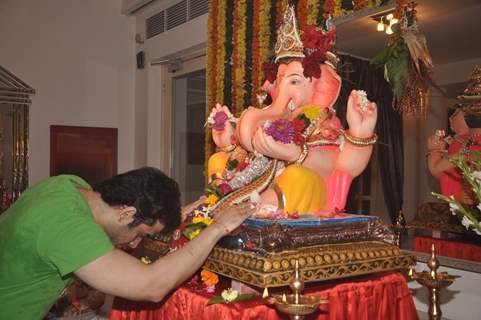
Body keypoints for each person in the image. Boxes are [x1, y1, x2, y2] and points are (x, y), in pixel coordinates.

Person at [0, 167, 255, 319]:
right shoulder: (68, 226)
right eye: (142, 233)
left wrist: (178, 219)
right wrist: (217, 228)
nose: (136, 243)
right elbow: (151, 286)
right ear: (126, 213)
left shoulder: (70, 186)